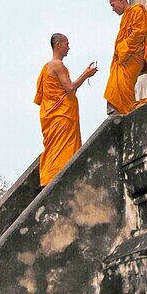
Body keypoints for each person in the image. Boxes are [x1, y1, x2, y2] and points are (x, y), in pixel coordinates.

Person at [34, 33, 97, 186]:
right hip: (61, 117)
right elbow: (70, 88)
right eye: (66, 44)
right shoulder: (57, 65)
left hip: (59, 114)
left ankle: (49, 177)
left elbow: (66, 92)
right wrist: (85, 74)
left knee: (55, 147)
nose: (68, 48)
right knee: (60, 146)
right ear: (58, 45)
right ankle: (55, 178)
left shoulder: (48, 67)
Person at [104, 0, 147, 114]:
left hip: (133, 56)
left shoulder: (137, 10)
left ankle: (127, 109)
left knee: (123, 84)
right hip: (125, 58)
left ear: (121, 0)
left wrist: (121, 48)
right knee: (116, 84)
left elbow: (139, 33)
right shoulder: (126, 17)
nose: (113, 9)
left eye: (113, 5)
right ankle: (122, 109)